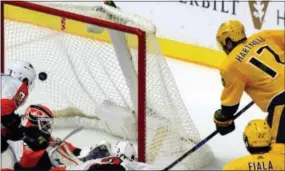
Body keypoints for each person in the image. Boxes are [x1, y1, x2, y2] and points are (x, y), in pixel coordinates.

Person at [213, 20, 284, 145]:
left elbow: (230, 106)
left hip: (282, 103)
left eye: (223, 44)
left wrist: (223, 119)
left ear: (228, 42)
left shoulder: (230, 65)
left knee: (273, 147)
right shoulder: (263, 36)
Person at [1, 60, 36, 170]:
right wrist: (20, 128)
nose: (27, 85)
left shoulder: (3, 79)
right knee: (8, 153)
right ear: (23, 77)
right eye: (28, 81)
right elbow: (3, 110)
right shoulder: (19, 85)